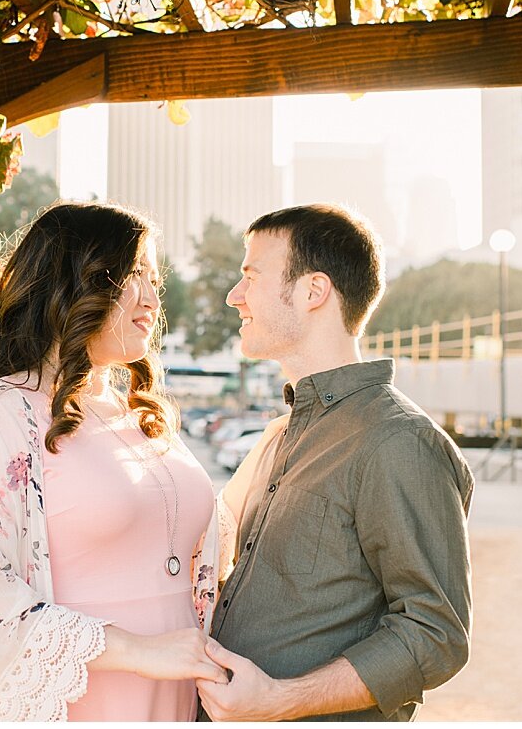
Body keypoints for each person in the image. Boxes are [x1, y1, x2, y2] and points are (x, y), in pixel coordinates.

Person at [0, 201, 229, 721]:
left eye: (155, 280)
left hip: (175, 700)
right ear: (74, 284)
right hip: (83, 702)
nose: (152, 300)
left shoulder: (139, 413)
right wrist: (140, 651)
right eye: (133, 276)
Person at [198, 203, 474, 722]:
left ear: (313, 291)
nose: (235, 297)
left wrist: (280, 701)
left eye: (250, 277)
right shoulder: (283, 434)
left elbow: (435, 633)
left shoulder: (398, 441)